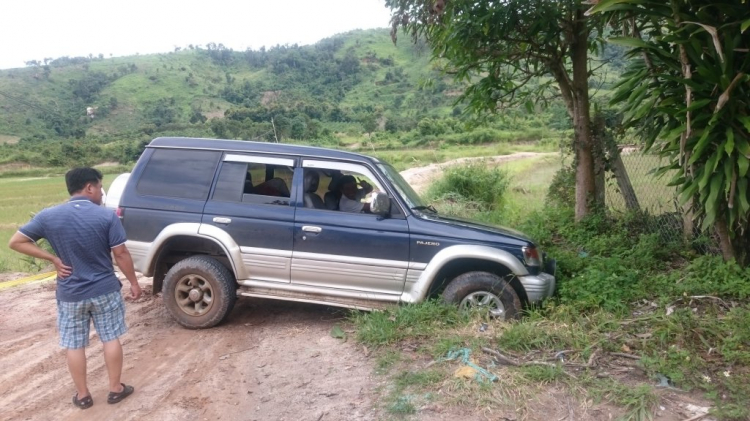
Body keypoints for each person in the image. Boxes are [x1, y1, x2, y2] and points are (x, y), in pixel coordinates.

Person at [8, 167, 142, 410]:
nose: (102, 193)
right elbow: (120, 253)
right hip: (104, 290)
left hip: (70, 294)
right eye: (100, 187)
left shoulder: (48, 216)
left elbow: (16, 242)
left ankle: (83, 396)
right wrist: (133, 282)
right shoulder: (106, 216)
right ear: (89, 187)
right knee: (111, 338)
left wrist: (53, 259)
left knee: (74, 344)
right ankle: (115, 389)